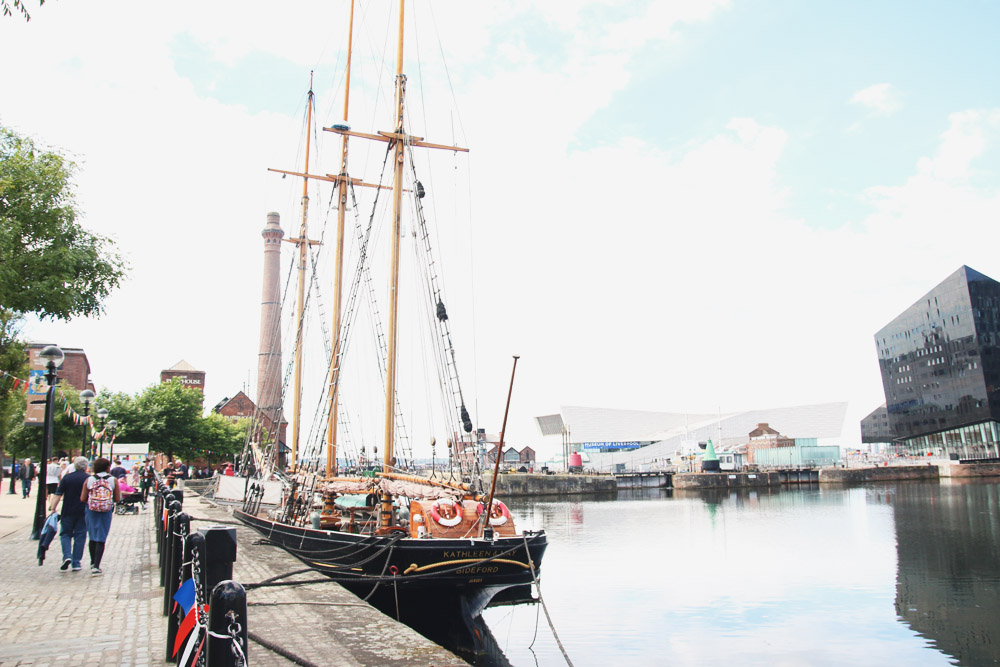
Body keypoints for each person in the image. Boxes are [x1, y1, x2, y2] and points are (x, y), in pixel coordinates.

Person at [48, 456, 90, 572]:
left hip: (67, 510)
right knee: (80, 536)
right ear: (86, 466)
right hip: (83, 511)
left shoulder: (67, 478)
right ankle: (76, 562)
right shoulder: (89, 478)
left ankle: (67, 556)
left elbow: (58, 494)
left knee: (65, 534)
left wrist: (53, 508)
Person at [80, 457, 121, 576]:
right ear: (108, 467)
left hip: (91, 511)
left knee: (92, 535)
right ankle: (97, 565)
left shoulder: (89, 479)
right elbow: (117, 498)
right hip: (106, 511)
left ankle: (93, 562)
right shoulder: (113, 480)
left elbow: (82, 498)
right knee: (101, 537)